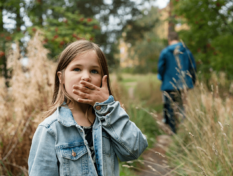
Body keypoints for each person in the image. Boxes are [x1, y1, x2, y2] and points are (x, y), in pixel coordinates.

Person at [28, 40, 148, 176]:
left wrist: (107, 108)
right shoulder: (50, 129)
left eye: (94, 71)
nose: (86, 77)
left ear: (103, 79)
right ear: (61, 78)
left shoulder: (109, 118)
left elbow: (135, 150)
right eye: (77, 69)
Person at [158, 32, 196, 134]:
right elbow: (193, 68)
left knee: (170, 107)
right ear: (177, 39)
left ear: (169, 40)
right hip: (184, 84)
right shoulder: (187, 51)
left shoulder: (165, 52)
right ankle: (184, 129)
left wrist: (162, 79)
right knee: (183, 105)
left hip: (168, 85)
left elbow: (160, 68)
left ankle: (173, 130)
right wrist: (192, 81)